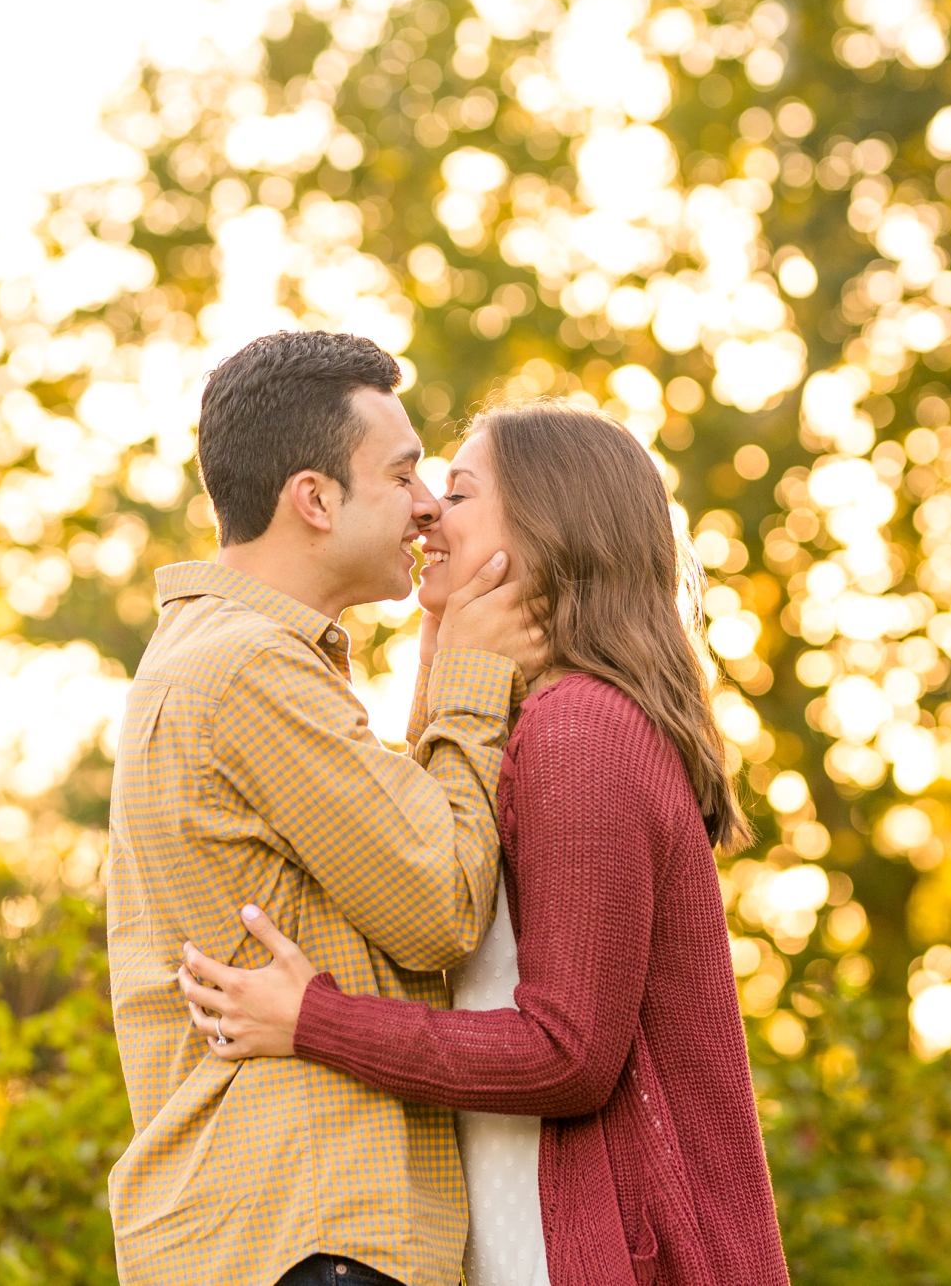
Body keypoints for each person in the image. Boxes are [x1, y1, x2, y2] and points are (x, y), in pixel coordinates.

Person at [179, 399, 791, 1286]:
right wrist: (443, 658)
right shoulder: (530, 725)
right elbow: (432, 872)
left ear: (548, 526)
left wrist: (313, 1020)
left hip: (615, 1256)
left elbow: (569, 1053)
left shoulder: (582, 731)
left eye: (458, 494)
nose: (428, 510)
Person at [105, 331, 546, 1286]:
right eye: (403, 475)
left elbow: (405, 847)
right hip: (310, 1233)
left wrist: (439, 652)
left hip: (272, 1233)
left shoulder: (222, 659)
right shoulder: (251, 670)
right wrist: (476, 676)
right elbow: (438, 906)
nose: (428, 505)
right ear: (314, 499)